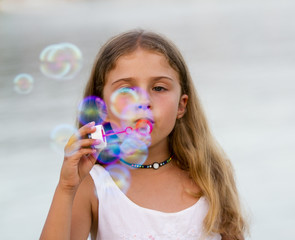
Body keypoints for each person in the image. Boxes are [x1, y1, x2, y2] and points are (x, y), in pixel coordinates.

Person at [40, 29, 248, 240]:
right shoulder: (92, 185)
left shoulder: (210, 175)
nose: (143, 101)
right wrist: (66, 188)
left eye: (158, 88)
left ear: (181, 106)